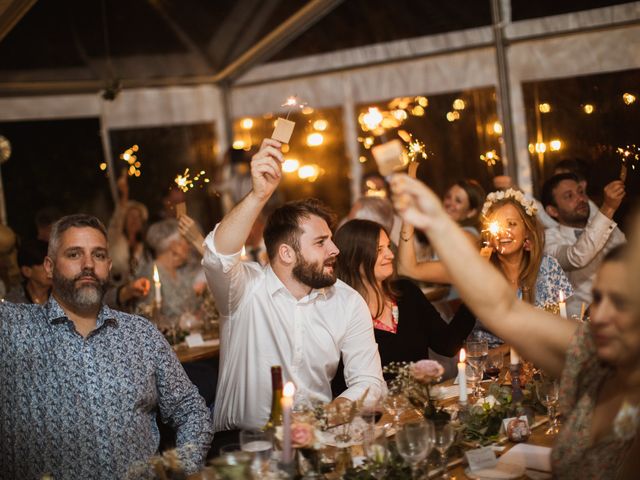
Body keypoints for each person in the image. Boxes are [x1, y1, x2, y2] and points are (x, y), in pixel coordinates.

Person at [389, 174, 640, 478]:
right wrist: (436, 220)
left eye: (622, 302)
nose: (598, 316)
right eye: (598, 299)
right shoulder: (591, 357)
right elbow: (503, 308)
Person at [0, 214, 213, 479]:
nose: (88, 264)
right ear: (49, 266)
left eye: (98, 255)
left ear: (109, 266)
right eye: (74, 254)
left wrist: (181, 469)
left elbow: (191, 410)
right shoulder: (13, 330)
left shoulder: (141, 334)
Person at [203, 138, 384, 446]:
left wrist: (325, 416)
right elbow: (218, 255)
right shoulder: (244, 291)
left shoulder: (347, 301)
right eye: (320, 242)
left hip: (318, 435)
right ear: (286, 253)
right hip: (243, 444)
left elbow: (370, 382)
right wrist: (259, 195)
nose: (335, 249)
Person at [334, 219, 475, 367]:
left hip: (422, 390)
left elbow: (447, 344)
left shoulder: (406, 292)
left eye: (388, 246)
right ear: (353, 259)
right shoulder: (343, 312)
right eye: (378, 250)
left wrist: (477, 295)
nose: (390, 255)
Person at [542, 173, 626, 317]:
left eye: (581, 192)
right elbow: (576, 257)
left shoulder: (604, 226)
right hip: (578, 324)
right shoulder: (548, 239)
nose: (580, 199)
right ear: (552, 210)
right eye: (569, 196)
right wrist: (608, 208)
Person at [397, 178, 485, 285]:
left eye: (458, 201)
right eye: (448, 197)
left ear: (471, 212)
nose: (449, 203)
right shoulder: (450, 234)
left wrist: (408, 214)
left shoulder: (463, 237)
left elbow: (407, 269)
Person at [107, 170, 150, 287]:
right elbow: (117, 220)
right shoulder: (115, 239)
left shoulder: (146, 247)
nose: (134, 220)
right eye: (130, 217)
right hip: (116, 295)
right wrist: (124, 195)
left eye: (138, 217)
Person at [4, 238, 51, 304]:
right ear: (27, 271)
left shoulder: (63, 297)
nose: (52, 270)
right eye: (45, 266)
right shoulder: (14, 302)